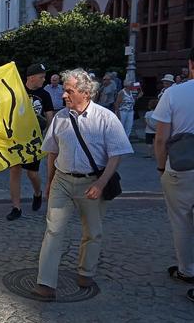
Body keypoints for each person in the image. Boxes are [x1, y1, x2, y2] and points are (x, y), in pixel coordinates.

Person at [33, 69, 133, 299]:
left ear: (86, 93)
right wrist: (50, 182)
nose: (64, 96)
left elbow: (116, 155)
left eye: (69, 91)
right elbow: (51, 153)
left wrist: (101, 183)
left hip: (92, 182)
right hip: (62, 181)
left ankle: (85, 271)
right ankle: (46, 283)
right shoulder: (60, 118)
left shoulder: (106, 118)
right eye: (65, 91)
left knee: (93, 232)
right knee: (53, 230)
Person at [153, 47, 194, 301]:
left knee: (180, 219)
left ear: (190, 63)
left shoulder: (174, 94)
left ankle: (187, 269)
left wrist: (160, 166)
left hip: (182, 166)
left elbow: (160, 138)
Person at [6, 63, 54, 221]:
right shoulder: (17, 92)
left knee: (32, 173)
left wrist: (50, 136)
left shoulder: (45, 95)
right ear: (31, 77)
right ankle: (16, 207)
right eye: (41, 77)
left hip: (34, 140)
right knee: (15, 170)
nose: (44, 79)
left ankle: (37, 193)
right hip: (17, 138)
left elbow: (49, 117)